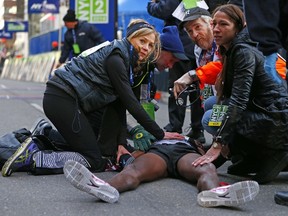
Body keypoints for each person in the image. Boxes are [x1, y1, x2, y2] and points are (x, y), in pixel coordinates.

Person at [1, 19, 184, 177]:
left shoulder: (129, 61)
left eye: (151, 45)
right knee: (95, 161)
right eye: (142, 41)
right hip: (62, 99)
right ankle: (33, 157)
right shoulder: (117, 58)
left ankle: (46, 134)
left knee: (104, 152)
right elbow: (131, 103)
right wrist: (160, 134)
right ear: (130, 38)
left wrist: (119, 144)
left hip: (74, 101)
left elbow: (119, 106)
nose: (146, 48)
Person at [174, 4, 288, 184]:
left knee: (212, 117)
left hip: (277, 119)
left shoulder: (243, 50)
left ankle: (273, 152)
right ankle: (247, 156)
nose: (217, 29)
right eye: (215, 24)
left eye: (224, 24)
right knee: (214, 105)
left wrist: (218, 144)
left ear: (239, 26)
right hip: (265, 109)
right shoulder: (228, 47)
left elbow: (238, 101)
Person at [63, 137, 259, 207]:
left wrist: (198, 147)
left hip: (185, 154)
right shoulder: (157, 138)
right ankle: (106, 187)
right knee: (135, 170)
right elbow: (137, 150)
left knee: (206, 168)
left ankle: (214, 193)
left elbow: (208, 155)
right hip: (159, 154)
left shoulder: (190, 141)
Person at [147, 0, 205, 143]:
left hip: (180, 45)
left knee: (178, 87)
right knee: (197, 88)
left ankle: (175, 126)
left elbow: (164, 10)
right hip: (196, 45)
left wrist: (151, 4)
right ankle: (198, 129)